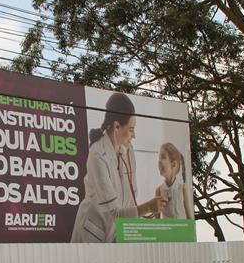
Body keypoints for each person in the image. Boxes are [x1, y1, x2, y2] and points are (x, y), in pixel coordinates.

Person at [71, 93, 166, 242]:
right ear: (116, 126)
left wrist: (145, 217)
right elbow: (114, 214)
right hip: (92, 235)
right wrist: (148, 207)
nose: (133, 136)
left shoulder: (128, 151)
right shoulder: (97, 156)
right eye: (131, 129)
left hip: (116, 234)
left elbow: (130, 199)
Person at [156, 142, 188, 219]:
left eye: (163, 157)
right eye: (159, 158)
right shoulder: (159, 190)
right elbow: (156, 219)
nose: (159, 161)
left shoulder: (182, 188)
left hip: (181, 229)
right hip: (166, 230)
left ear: (173, 164)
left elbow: (189, 214)